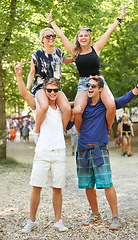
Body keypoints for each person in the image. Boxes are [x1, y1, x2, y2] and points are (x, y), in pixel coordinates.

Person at [67, 70, 138, 230]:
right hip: (83, 150)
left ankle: (115, 217)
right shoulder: (81, 107)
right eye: (87, 85)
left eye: (93, 85)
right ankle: (95, 215)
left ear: (100, 89)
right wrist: (71, 112)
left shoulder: (105, 106)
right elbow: (66, 117)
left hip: (99, 150)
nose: (89, 88)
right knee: (87, 185)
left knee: (107, 183)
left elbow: (125, 99)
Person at [45, 8, 128, 133]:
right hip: (84, 83)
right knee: (78, 110)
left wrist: (120, 17)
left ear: (89, 38)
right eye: (81, 36)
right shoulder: (74, 51)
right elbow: (62, 36)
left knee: (111, 106)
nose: (83, 38)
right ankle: (81, 135)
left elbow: (109, 31)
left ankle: (107, 129)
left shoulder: (96, 48)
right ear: (78, 39)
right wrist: (51, 21)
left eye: (86, 36)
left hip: (99, 80)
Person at [12, 59, 68, 233]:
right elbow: (24, 93)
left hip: (59, 152)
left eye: (55, 90)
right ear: (45, 90)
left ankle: (58, 221)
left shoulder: (62, 109)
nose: (52, 93)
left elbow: (73, 109)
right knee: (36, 186)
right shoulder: (38, 107)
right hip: (43, 151)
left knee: (57, 188)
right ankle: (32, 220)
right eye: (49, 90)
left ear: (58, 92)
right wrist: (19, 75)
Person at [27, 27, 73, 143]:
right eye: (48, 36)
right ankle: (37, 131)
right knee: (44, 106)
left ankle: (60, 132)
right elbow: (32, 72)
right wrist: (27, 88)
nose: (51, 38)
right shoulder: (37, 55)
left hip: (56, 87)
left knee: (67, 108)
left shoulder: (59, 52)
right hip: (41, 86)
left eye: (53, 36)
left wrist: (78, 56)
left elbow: (66, 60)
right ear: (42, 40)